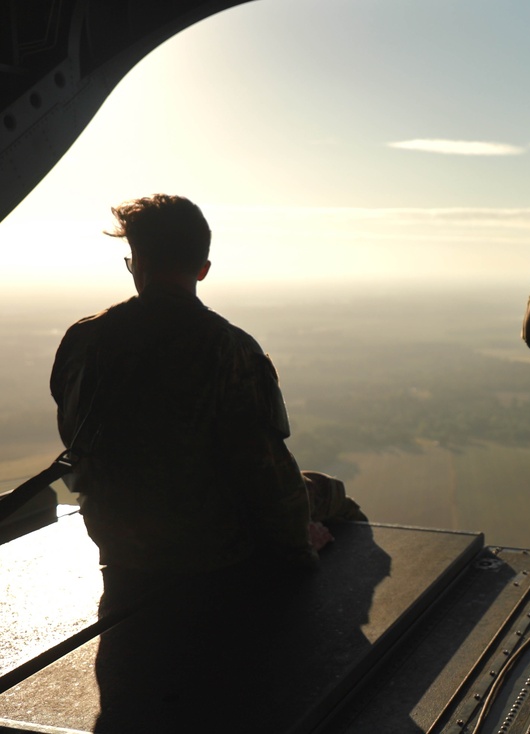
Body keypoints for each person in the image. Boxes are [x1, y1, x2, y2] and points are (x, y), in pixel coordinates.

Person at [50, 194, 364, 576]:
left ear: (140, 262)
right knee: (331, 493)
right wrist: (300, 554)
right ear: (203, 269)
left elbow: (75, 439)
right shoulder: (230, 348)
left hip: (117, 542)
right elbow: (269, 477)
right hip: (211, 548)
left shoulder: (82, 339)